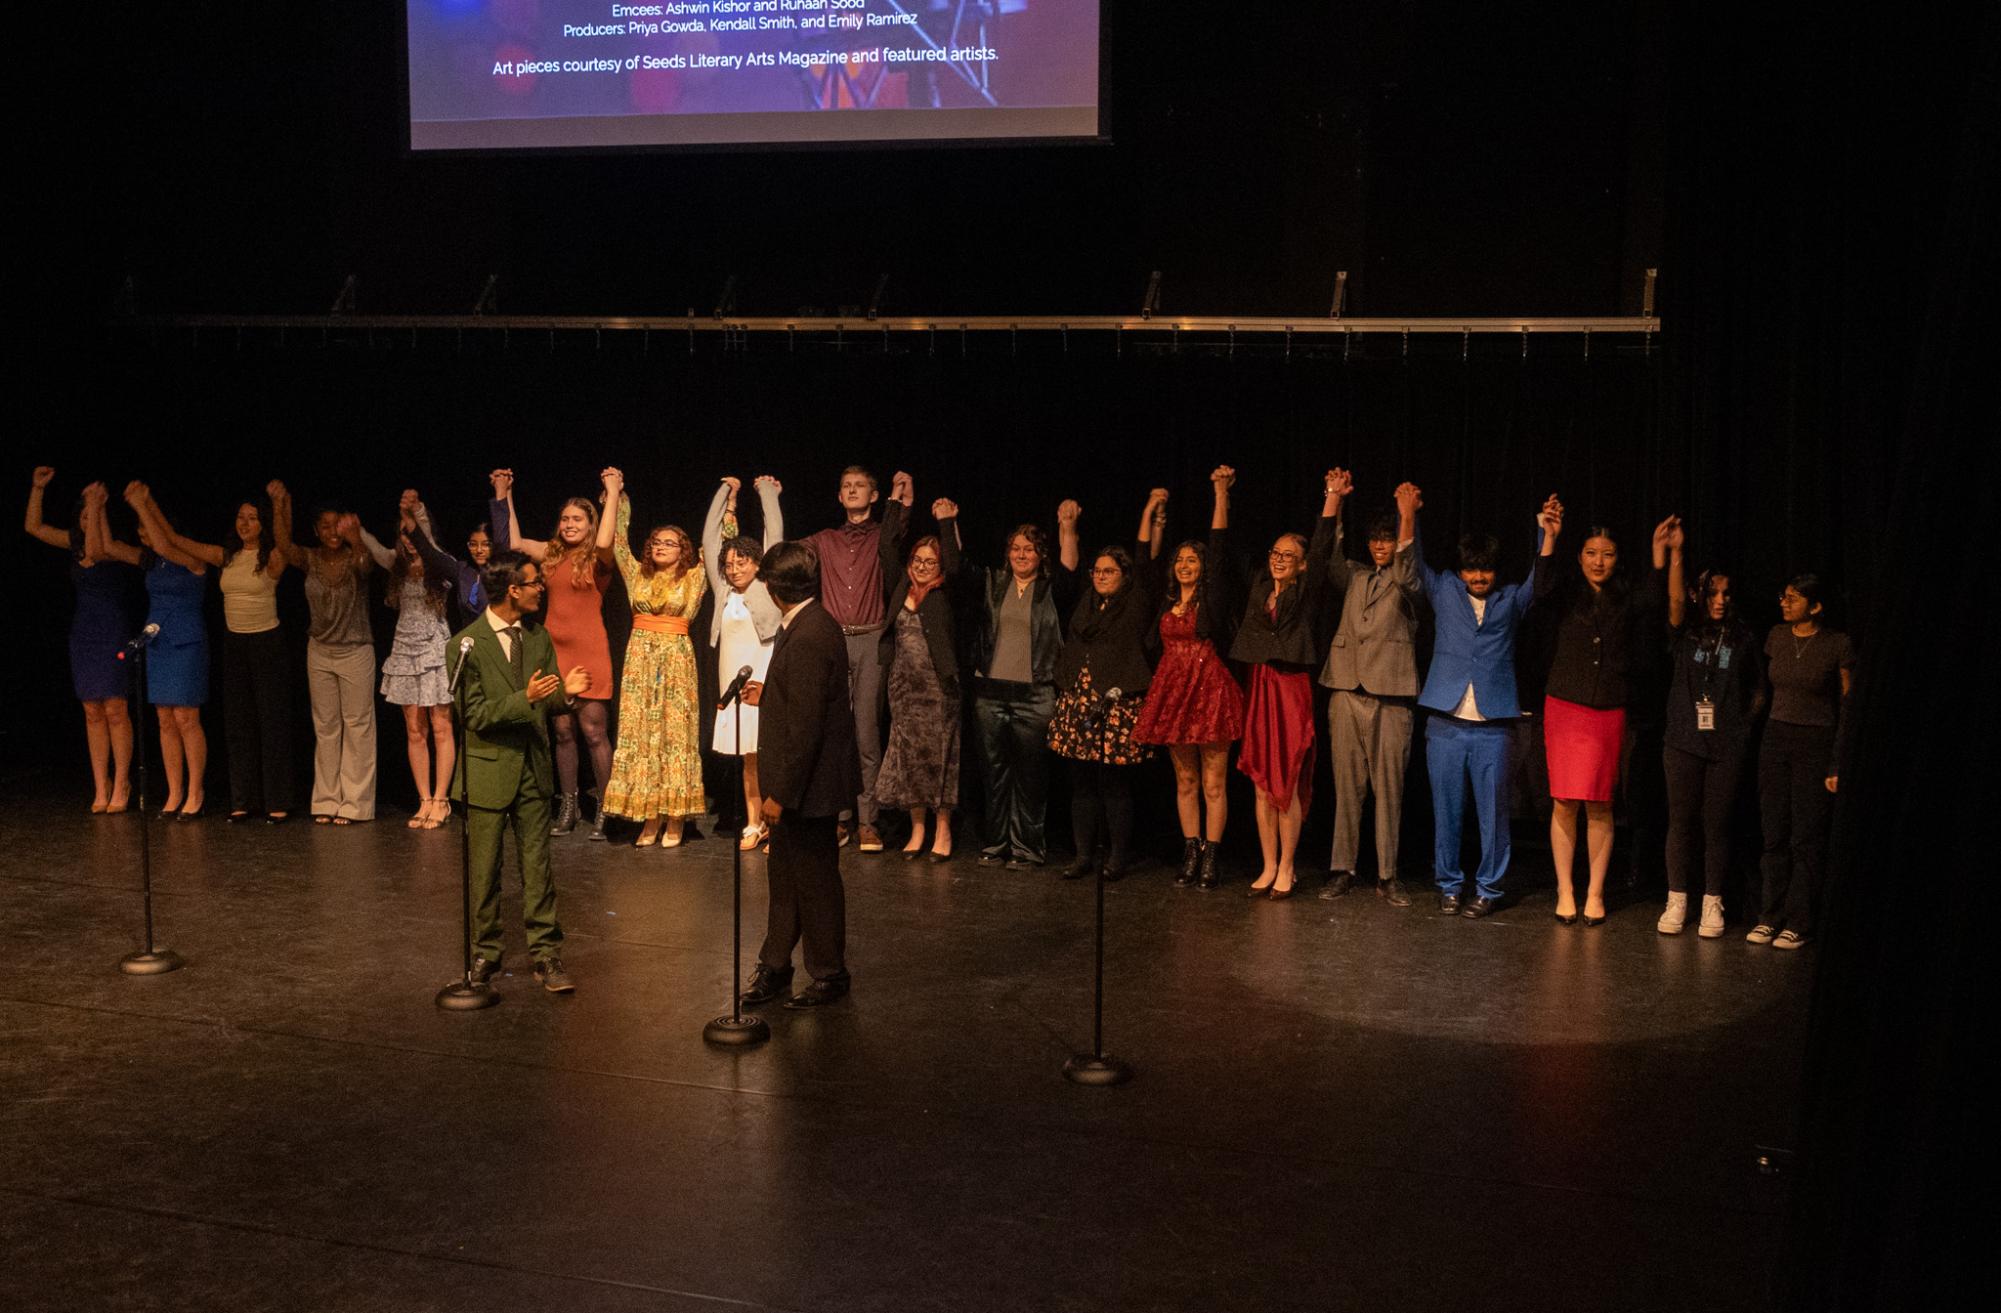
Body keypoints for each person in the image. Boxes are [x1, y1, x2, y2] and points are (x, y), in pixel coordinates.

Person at [1413, 494, 1562, 917]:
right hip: (1445, 721)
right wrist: (1411, 518)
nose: (1479, 576)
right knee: (1446, 810)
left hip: (1493, 725)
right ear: (1461, 570)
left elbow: (1543, 579)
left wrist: (1546, 534)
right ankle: (1448, 884)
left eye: (1486, 569)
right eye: (1472, 569)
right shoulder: (1444, 589)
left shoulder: (1511, 599)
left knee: (1493, 815)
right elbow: (1413, 566)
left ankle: (1489, 887)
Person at [450, 551, 592, 994]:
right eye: (533, 583)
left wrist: (563, 695)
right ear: (513, 589)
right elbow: (473, 714)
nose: (540, 589)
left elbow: (545, 698)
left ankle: (546, 954)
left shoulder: (538, 637)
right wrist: (526, 698)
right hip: (488, 772)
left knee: (539, 869)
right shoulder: (466, 644)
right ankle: (485, 953)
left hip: (532, 770)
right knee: (484, 871)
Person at [738, 541, 862, 1009]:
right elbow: (805, 700)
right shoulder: (807, 623)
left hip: (807, 786)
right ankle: (776, 963)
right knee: (786, 877)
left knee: (814, 880)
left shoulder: (810, 633)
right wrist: (768, 695)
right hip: (801, 783)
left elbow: (808, 728)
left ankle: (830, 973)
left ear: (774, 588)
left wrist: (779, 795)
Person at [1540, 515, 1673, 926]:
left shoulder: (1627, 596)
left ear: (1618, 559)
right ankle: (1565, 890)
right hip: (1565, 705)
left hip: (1608, 709)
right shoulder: (1565, 591)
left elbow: (1656, 605)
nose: (1599, 562)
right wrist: (1550, 538)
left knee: (1600, 803)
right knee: (1564, 800)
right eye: (1592, 553)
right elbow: (1540, 589)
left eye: (1608, 554)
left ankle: (1595, 892)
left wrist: (1659, 554)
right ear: (1579, 557)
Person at [937, 499, 1080, 870]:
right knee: (994, 774)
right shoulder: (992, 583)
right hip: (990, 692)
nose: (1021, 554)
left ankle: (1028, 848)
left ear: (1040, 554)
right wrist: (948, 523)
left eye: (1029, 549)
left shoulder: (1050, 590)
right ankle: (997, 842)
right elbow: (955, 568)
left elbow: (1068, 571)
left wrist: (1067, 527)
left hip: (1035, 695)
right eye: (1015, 548)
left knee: (1031, 777)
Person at [145, 479, 298, 822]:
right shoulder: (224, 556)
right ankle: (243, 800)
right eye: (241, 517)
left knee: (271, 723)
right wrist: (148, 501)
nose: (245, 523)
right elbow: (172, 540)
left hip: (267, 643)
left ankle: (277, 800)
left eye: (253, 518)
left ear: (263, 525)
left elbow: (287, 542)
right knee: (239, 723)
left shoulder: (271, 558)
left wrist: (280, 504)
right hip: (235, 644)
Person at [1229, 470, 1345, 900]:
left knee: (1288, 779)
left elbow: (1321, 542)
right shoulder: (1260, 590)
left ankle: (1289, 866)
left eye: (1288, 554)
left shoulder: (1306, 591)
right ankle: (1269, 863)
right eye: (1275, 552)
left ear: (1301, 563)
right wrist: (1223, 496)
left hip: (1291, 687)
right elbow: (1227, 554)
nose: (1278, 558)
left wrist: (1331, 497)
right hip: (1260, 684)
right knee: (1262, 781)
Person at [1132, 467, 1244, 890]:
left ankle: (1212, 857)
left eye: (1192, 560)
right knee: (1185, 779)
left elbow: (1219, 545)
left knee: (1214, 781)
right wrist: (1150, 511)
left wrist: (1219, 495)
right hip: (1173, 691)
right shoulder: (1163, 600)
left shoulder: (1212, 598)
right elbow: (1143, 561)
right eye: (1180, 560)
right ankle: (1191, 850)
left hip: (1210, 690)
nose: (1184, 565)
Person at [493, 468, 616, 838]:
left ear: (589, 523)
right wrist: (506, 492)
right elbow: (513, 542)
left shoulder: (599, 557)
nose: (569, 524)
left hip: (590, 651)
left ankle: (607, 809)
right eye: (564, 518)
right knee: (561, 731)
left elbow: (608, 536)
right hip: (554, 651)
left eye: (577, 519)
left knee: (594, 732)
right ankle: (568, 804)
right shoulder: (551, 554)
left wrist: (611, 490)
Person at [1317, 480, 1424, 905]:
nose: (1381, 546)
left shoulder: (1405, 580)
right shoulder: (1356, 576)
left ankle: (1387, 874)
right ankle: (1343, 868)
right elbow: (1328, 553)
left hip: (1390, 695)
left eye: (1387, 539)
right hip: (1345, 688)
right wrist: (1335, 503)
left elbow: (1408, 569)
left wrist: (1406, 517)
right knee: (1347, 787)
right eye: (1376, 539)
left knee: (1389, 789)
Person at [1048, 492, 1164, 880]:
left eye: (1108, 571)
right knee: (1080, 784)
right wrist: (1068, 529)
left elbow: (1146, 560)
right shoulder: (1086, 600)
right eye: (1097, 571)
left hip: (1116, 703)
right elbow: (1067, 573)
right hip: (1079, 700)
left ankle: (1117, 856)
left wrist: (1149, 514)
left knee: (1114, 786)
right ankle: (1083, 855)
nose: (1099, 576)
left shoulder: (1136, 602)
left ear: (1124, 576)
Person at [1658, 531, 1765, 937]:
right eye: (1712, 593)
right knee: (1680, 822)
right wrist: (1677, 553)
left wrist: (1741, 729)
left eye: (1726, 594)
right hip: (1683, 742)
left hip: (1725, 748)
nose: (1720, 600)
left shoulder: (1742, 637)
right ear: (1698, 596)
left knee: (1716, 825)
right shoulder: (1685, 631)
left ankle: (1712, 903)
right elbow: (1671, 601)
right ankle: (1677, 899)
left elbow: (1758, 690)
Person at [801, 465, 911, 853]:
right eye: (845, 485)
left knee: (866, 733)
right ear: (838, 496)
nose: (851, 490)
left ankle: (868, 821)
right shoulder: (824, 539)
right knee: (833, 733)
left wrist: (901, 496)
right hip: (833, 641)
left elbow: (899, 531)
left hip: (869, 640)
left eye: (859, 485)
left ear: (874, 494)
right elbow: (788, 556)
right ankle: (839, 817)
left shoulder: (884, 536)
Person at [597, 467, 708, 847]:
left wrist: (730, 507)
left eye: (669, 543)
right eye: (656, 542)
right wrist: (616, 493)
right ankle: (648, 816)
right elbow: (615, 540)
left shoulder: (695, 577)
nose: (660, 547)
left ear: (684, 550)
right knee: (641, 734)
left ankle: (674, 818)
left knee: (674, 736)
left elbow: (721, 544)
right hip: (640, 658)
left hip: (676, 658)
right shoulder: (635, 573)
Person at [1749, 574, 1853, 950]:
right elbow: (1762, 689)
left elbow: (1847, 706)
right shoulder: (1777, 636)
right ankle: (1769, 916)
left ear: (1816, 605)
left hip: (1816, 742)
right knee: (1773, 832)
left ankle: (1799, 922)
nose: (1785, 602)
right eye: (1784, 596)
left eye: (1794, 598)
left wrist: (1837, 763)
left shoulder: (1837, 644)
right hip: (1776, 739)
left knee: (1805, 837)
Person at [29, 472, 136, 813]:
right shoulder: (75, 545)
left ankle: (122, 782)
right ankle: (99, 784)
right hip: (84, 633)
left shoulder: (112, 547)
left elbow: (97, 548)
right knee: (91, 710)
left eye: (94, 514)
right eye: (84, 514)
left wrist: (97, 506)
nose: (88, 519)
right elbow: (34, 527)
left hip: (112, 628)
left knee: (116, 709)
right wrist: (38, 488)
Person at [702, 474, 786, 849]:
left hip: (763, 676)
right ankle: (754, 823)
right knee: (747, 759)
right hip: (732, 684)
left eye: (742, 562)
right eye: (730, 564)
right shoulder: (722, 590)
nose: (735, 569)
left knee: (768, 754)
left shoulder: (767, 584)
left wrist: (765, 492)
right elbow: (709, 537)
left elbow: (776, 533)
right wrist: (724, 491)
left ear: (757, 563)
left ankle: (777, 825)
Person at [122, 481, 212, 818]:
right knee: (164, 719)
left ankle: (195, 789)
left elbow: (165, 540)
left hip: (186, 640)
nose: (147, 538)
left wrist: (144, 503)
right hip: (158, 639)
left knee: (186, 717)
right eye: (142, 533)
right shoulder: (153, 562)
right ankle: (174, 791)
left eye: (150, 531)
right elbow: (109, 547)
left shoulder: (191, 558)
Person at [876, 519, 964, 861]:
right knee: (909, 756)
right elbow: (885, 548)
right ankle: (917, 829)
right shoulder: (901, 586)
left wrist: (946, 523)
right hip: (903, 687)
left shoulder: (945, 592)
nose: (923, 567)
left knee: (940, 757)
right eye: (918, 560)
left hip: (939, 687)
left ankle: (942, 829)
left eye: (930, 561)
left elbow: (955, 562)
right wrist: (897, 505)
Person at [298, 506, 389, 824]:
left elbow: (366, 567)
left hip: (355, 649)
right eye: (325, 526)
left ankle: (355, 803)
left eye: (338, 526)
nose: (332, 532)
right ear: (316, 530)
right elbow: (284, 549)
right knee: (325, 727)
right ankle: (325, 800)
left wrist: (356, 538)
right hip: (320, 650)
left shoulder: (355, 556)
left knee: (358, 726)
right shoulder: (311, 558)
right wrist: (281, 507)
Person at [380, 498, 457, 829]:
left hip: (435, 650)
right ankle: (424, 799)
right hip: (405, 651)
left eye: (413, 534)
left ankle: (442, 800)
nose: (409, 541)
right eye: (404, 535)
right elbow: (370, 547)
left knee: (441, 726)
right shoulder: (396, 567)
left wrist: (416, 512)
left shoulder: (440, 564)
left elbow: (426, 538)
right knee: (414, 729)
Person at [406, 485, 496, 627]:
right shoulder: (463, 572)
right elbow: (429, 552)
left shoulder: (505, 573)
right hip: (472, 643)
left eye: (485, 544)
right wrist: (407, 517)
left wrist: (503, 492)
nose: (479, 550)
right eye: (473, 544)